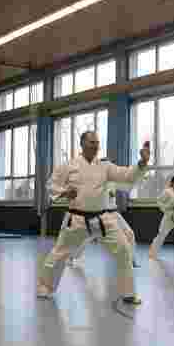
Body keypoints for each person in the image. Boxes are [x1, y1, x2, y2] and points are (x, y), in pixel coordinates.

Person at [37, 131, 150, 305]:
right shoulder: (69, 166)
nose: (95, 145)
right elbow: (51, 185)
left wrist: (142, 163)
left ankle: (128, 293)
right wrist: (64, 192)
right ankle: (45, 286)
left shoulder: (105, 166)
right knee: (59, 254)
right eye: (92, 142)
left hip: (102, 218)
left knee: (124, 249)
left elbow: (127, 175)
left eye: (97, 142)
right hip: (77, 218)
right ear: (82, 144)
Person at [70, 178, 141, 268]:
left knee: (129, 233)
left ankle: (131, 259)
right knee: (89, 236)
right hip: (101, 214)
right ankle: (72, 257)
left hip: (114, 212)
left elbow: (125, 186)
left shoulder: (113, 182)